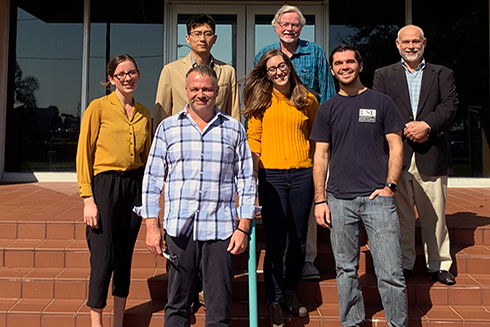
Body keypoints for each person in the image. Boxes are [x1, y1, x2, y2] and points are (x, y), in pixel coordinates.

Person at [137, 65, 257, 327]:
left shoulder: (234, 129)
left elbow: (247, 180)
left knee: (218, 307)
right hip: (180, 230)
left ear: (216, 91)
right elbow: (153, 178)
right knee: (177, 304)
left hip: (221, 230)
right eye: (195, 89)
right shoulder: (168, 128)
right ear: (186, 91)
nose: (200, 94)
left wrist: (243, 227)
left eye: (206, 89)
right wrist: (151, 226)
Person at [311, 45, 408, 327]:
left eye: (350, 61)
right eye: (338, 63)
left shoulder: (382, 102)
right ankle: (352, 322)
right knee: (345, 269)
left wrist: (390, 186)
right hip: (339, 200)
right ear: (332, 70)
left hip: (377, 197)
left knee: (390, 271)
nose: (345, 66)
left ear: (360, 66)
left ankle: (398, 324)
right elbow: (321, 154)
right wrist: (320, 199)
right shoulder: (328, 108)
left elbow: (396, 146)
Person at [254, 5, 336, 280]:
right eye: (284, 24)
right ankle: (280, 264)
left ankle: (306, 260)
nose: (289, 28)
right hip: (275, 151)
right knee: (278, 220)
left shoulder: (315, 53)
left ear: (302, 27)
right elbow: (256, 95)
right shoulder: (264, 55)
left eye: (295, 24)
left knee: (304, 217)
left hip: (308, 138)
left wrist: (326, 139)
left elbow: (326, 94)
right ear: (276, 27)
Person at [373, 25, 458, 285]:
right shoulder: (383, 74)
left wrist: (427, 126)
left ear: (424, 43)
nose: (411, 46)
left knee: (434, 213)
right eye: (406, 42)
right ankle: (405, 263)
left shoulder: (442, 73)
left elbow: (450, 104)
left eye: (415, 41)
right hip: (397, 154)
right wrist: (406, 129)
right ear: (397, 45)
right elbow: (380, 107)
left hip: (431, 152)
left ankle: (439, 264)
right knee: (401, 215)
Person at [243, 49, 319, 327]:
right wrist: (251, 173)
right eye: (271, 68)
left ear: (289, 66)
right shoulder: (260, 100)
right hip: (271, 176)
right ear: (266, 73)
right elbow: (254, 138)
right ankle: (273, 301)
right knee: (275, 241)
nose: (278, 71)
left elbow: (315, 137)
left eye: (281, 65)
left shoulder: (307, 99)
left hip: (302, 175)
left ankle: (290, 292)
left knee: (298, 239)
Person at [76, 54, 152, 327]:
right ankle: (96, 322)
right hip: (105, 185)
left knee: (124, 256)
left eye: (132, 72)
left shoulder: (144, 113)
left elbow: (146, 159)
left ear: (138, 75)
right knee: (103, 257)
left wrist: (148, 197)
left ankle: (118, 320)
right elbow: (83, 153)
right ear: (111, 79)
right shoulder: (98, 108)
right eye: (121, 74)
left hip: (133, 186)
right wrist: (88, 199)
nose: (128, 78)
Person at [154, 13, 240, 132]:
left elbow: (233, 113)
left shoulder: (227, 71)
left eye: (207, 34)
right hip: (181, 138)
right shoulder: (171, 71)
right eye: (197, 33)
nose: (202, 39)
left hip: (217, 138)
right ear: (187, 39)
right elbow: (161, 115)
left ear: (214, 39)